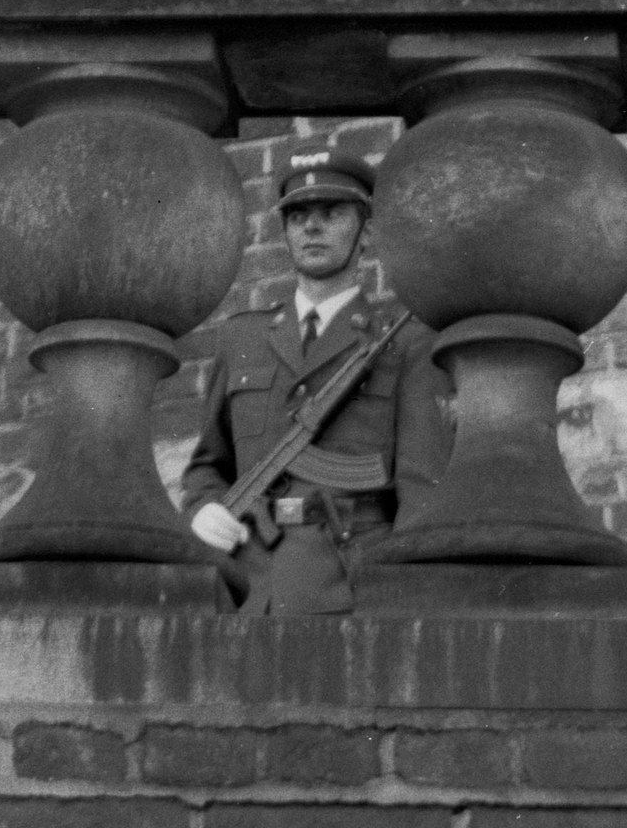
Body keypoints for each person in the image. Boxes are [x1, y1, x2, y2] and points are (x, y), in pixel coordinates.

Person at [180, 143, 447, 615]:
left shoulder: (404, 344)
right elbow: (208, 464)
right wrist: (202, 509)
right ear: (284, 231)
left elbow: (420, 491)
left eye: (331, 212)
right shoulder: (242, 337)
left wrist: (404, 603)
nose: (312, 225)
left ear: (365, 232)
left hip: (352, 587)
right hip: (249, 588)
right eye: (298, 214)